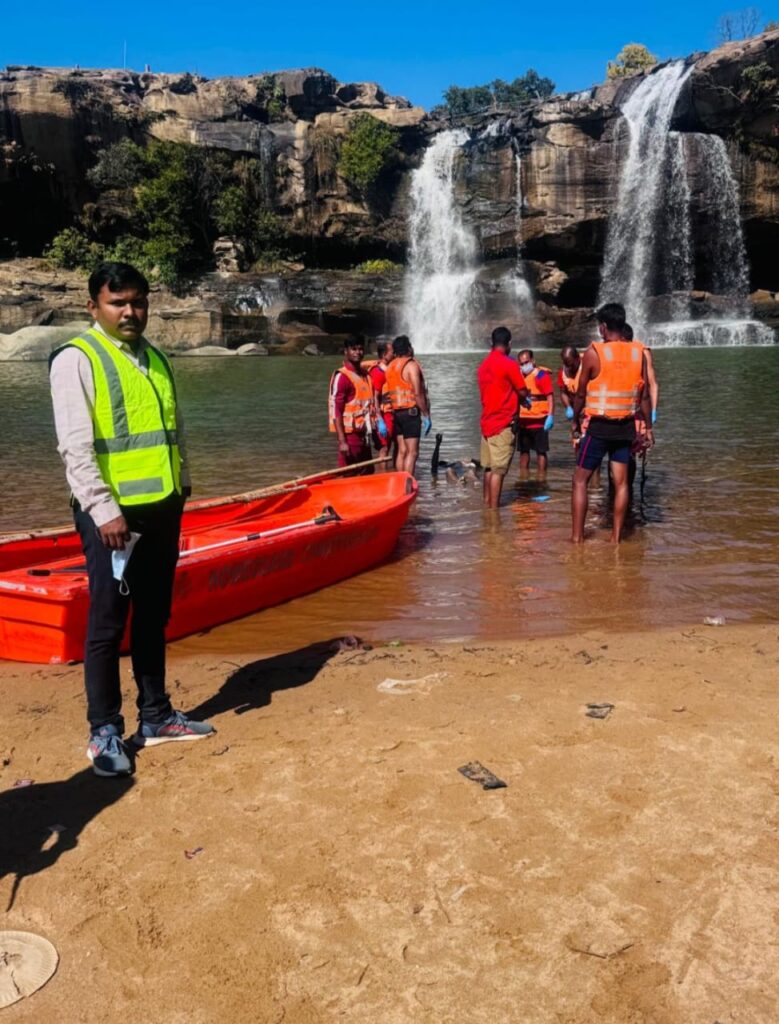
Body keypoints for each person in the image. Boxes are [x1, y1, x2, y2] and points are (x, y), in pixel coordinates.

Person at [49, 262, 215, 778]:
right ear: (93, 306)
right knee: (106, 622)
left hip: (162, 507)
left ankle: (156, 716)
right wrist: (103, 510)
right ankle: (103, 730)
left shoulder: (155, 358)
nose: (130, 311)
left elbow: (171, 429)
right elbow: (75, 448)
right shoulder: (77, 360)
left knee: (153, 615)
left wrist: (182, 485)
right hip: (112, 518)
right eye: (118, 302)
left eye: (138, 301)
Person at [571, 303, 654, 544]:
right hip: (626, 428)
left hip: (599, 428)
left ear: (603, 327)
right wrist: (648, 427)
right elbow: (645, 396)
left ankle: (577, 539)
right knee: (621, 483)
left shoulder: (594, 352)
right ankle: (616, 539)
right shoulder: (639, 353)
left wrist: (575, 419)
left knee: (579, 480)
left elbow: (580, 393)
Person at [477, 326, 530, 508]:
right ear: (509, 344)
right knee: (499, 471)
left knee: (489, 467)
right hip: (503, 423)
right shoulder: (509, 364)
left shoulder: (483, 366)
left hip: (486, 423)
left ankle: (486, 505)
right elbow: (522, 389)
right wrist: (524, 398)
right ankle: (493, 513)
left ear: (491, 343)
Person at [329, 334, 385, 472]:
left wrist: (376, 438)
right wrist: (342, 441)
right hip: (350, 437)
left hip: (365, 437)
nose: (357, 352)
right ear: (346, 351)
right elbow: (336, 411)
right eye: (353, 349)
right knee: (348, 475)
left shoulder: (366, 376)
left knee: (367, 474)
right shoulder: (342, 377)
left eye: (360, 349)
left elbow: (370, 409)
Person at [382, 335, 431, 475]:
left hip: (396, 412)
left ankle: (399, 481)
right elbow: (417, 393)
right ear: (409, 348)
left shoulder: (390, 366)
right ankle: (408, 483)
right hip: (410, 413)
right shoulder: (411, 365)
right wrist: (426, 414)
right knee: (413, 452)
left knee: (402, 451)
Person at [517, 349, 554, 474]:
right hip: (523, 421)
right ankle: (523, 477)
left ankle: (542, 478)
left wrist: (551, 415)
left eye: (526, 362)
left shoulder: (541, 375)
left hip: (539, 420)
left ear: (532, 361)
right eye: (521, 364)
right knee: (523, 451)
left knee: (541, 451)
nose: (524, 366)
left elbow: (550, 396)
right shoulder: (518, 376)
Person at [367, 338, 394, 466]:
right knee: (384, 447)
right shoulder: (378, 372)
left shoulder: (390, 370)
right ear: (384, 355)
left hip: (391, 412)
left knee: (393, 445)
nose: (394, 354)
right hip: (383, 414)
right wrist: (379, 419)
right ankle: (383, 473)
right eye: (392, 352)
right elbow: (375, 397)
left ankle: (393, 472)